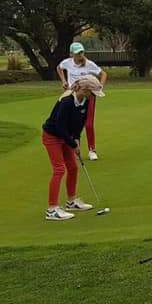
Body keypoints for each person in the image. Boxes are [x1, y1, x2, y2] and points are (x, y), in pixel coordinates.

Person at [41, 75, 106, 220]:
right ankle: (52, 210)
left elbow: (80, 123)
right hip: (52, 136)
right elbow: (59, 126)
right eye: (92, 93)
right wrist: (72, 143)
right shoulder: (66, 101)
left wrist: (76, 138)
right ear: (84, 89)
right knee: (59, 169)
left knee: (73, 167)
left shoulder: (86, 101)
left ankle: (71, 202)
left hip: (67, 136)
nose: (93, 97)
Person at [57, 42, 108, 160]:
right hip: (73, 95)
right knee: (73, 123)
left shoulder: (89, 64)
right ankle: (74, 148)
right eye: (77, 53)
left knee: (88, 124)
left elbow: (103, 74)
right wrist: (64, 81)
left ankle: (92, 150)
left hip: (88, 96)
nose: (80, 55)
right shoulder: (67, 63)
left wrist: (99, 87)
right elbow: (59, 68)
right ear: (71, 54)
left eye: (81, 52)